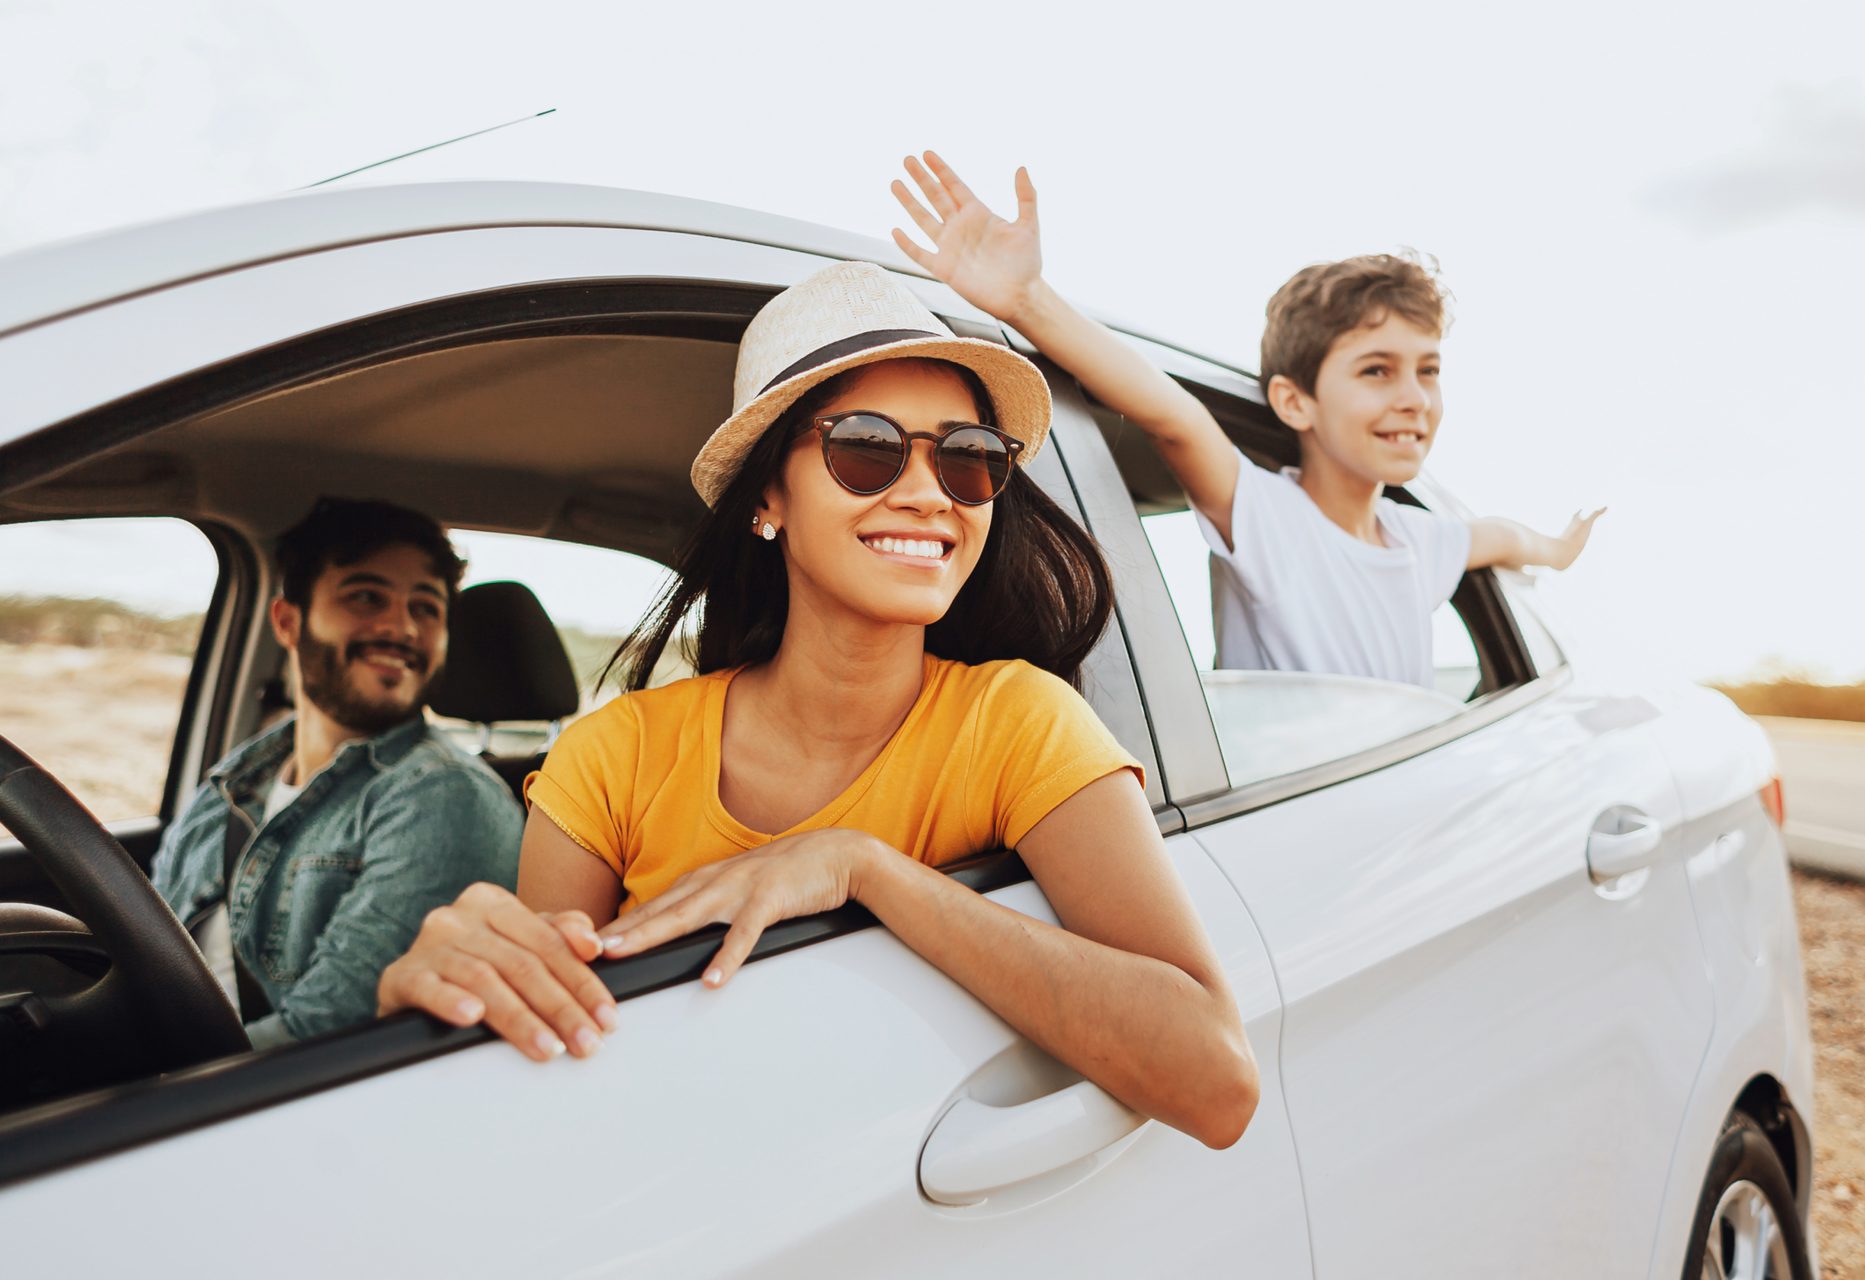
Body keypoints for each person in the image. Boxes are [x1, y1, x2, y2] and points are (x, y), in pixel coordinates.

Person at [376, 261, 1260, 1149]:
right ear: (767, 496)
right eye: (868, 448)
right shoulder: (614, 758)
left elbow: (1216, 1082)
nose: (926, 492)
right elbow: (532, 1066)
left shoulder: (1018, 723)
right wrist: (440, 998)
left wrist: (865, 869)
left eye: (968, 457)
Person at [888, 151, 1605, 688]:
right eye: (1377, 370)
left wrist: (1557, 548)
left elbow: (1501, 536)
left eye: (1428, 370)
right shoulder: (1270, 519)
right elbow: (1175, 418)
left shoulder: (1423, 539)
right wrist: (1025, 299)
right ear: (1296, 403)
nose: (1414, 396)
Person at [151, 498, 523, 1047]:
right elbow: (144, 940)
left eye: (426, 607)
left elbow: (326, 1040)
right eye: (366, 597)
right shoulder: (236, 778)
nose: (401, 627)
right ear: (288, 622)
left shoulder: (442, 796)